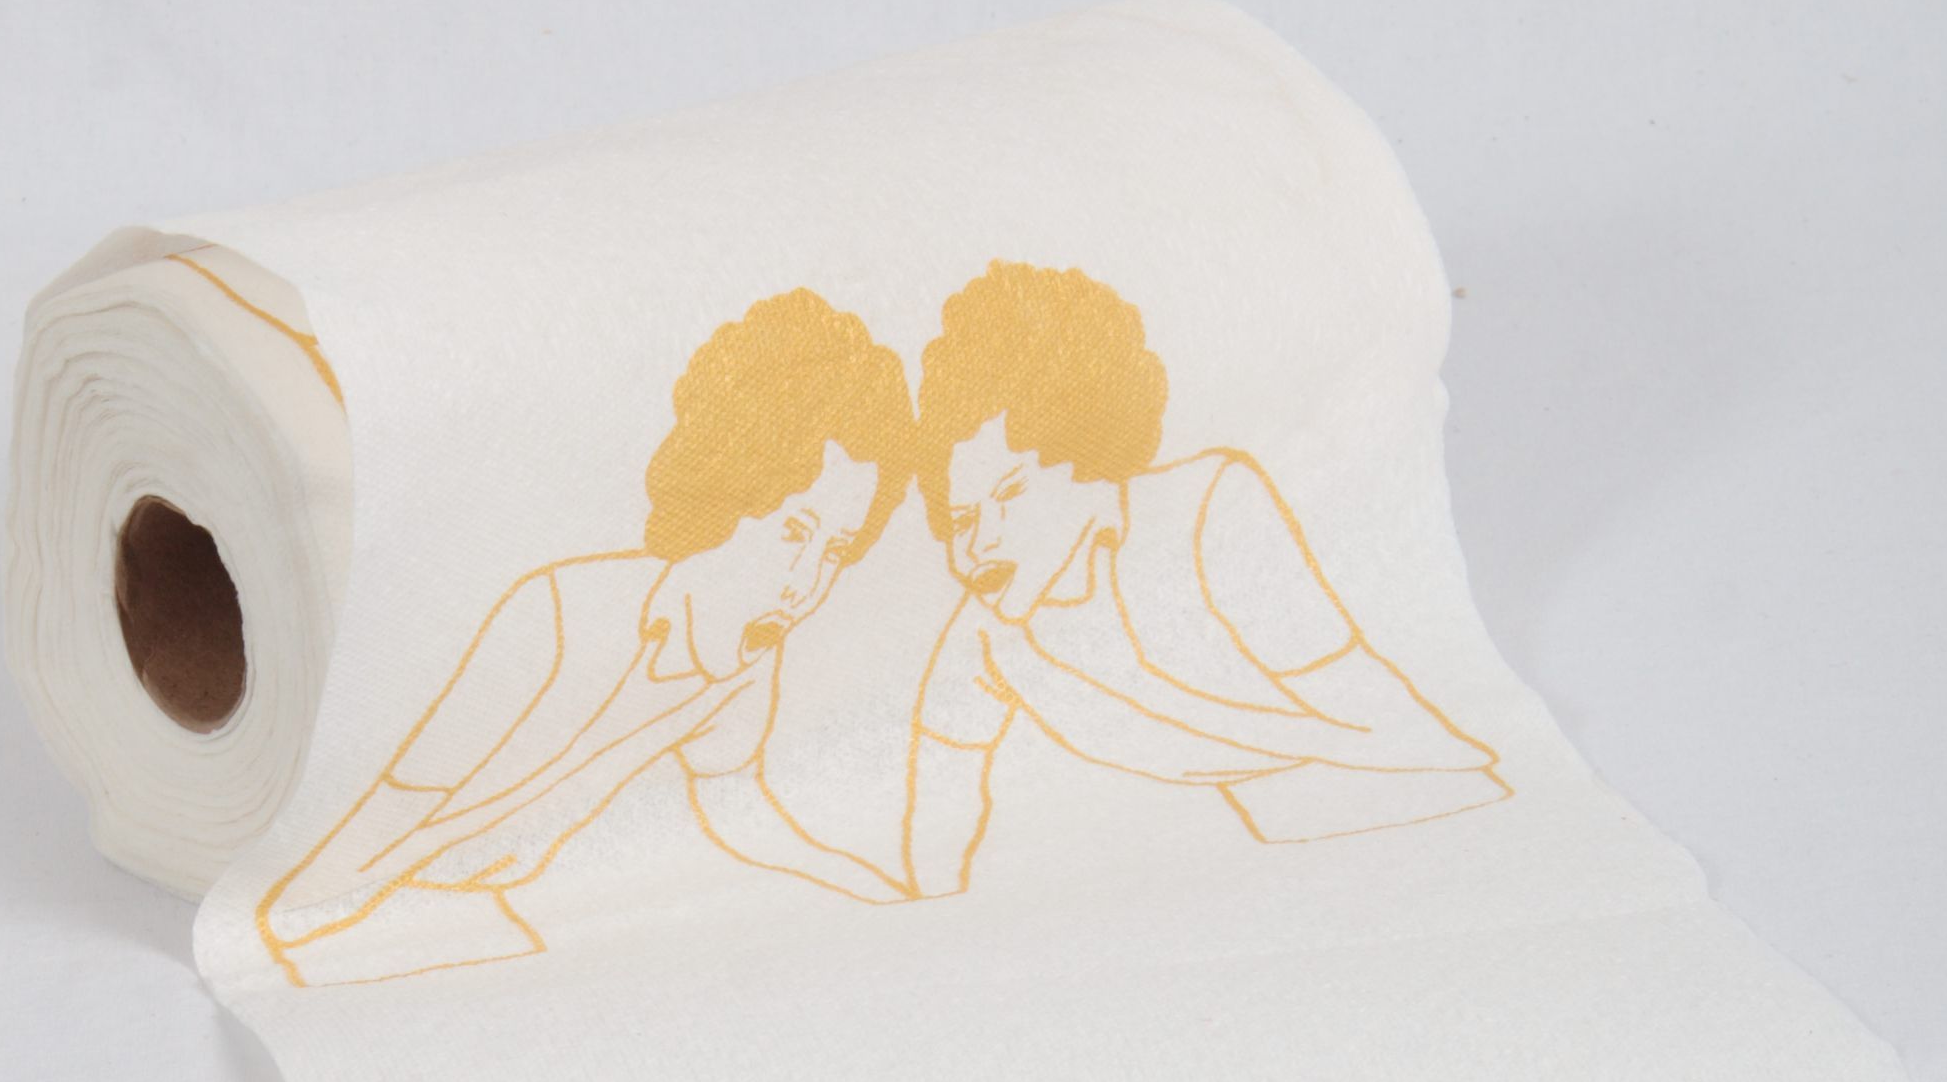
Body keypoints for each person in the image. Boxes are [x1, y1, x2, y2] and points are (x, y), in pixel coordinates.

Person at [258, 288, 917, 981]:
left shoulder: (744, 670)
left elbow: (737, 809)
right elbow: (401, 801)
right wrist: (287, 920)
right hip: (385, 901)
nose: (806, 584)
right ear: (726, 493)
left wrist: (856, 879)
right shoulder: (559, 616)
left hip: (494, 911)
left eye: (837, 551)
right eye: (793, 533)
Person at [902, 262, 1507, 895]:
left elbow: (1332, 669)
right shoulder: (990, 633)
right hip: (1290, 854)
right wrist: (935, 897)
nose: (980, 541)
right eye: (961, 519)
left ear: (1086, 455)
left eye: (1010, 493)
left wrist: (1434, 761)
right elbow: (944, 772)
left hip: (1428, 791)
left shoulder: (1206, 509)